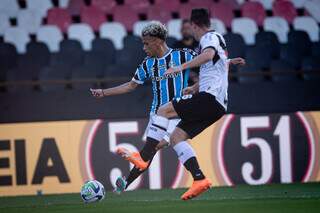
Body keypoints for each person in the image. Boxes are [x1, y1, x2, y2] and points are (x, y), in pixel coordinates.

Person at [116, 8, 245, 200]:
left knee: (163, 109)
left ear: (194, 25)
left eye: (190, 27)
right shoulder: (217, 40)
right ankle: (199, 179)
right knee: (177, 138)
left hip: (209, 99)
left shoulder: (208, 38)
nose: (190, 32)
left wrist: (180, 67)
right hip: (217, 105)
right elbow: (216, 66)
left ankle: (142, 158)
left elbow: (208, 56)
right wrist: (194, 88)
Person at [90, 21, 198, 193]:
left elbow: (209, 62)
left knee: (157, 146)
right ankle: (125, 184)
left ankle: (199, 178)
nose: (144, 47)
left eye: (146, 43)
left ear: (157, 41)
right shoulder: (148, 64)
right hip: (156, 115)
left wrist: (226, 62)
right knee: (148, 154)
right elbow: (130, 85)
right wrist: (104, 92)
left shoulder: (183, 55)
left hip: (177, 112)